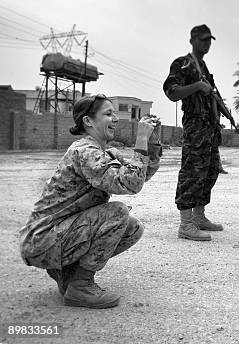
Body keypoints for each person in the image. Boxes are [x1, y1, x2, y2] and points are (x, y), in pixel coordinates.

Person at [18, 94, 162, 309]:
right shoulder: (84, 151)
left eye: (114, 113)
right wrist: (139, 141)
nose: (115, 119)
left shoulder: (104, 151)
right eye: (108, 114)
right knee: (117, 213)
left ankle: (68, 275)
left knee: (132, 228)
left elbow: (139, 175)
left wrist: (152, 144)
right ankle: (81, 287)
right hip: (42, 239)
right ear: (88, 121)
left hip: (57, 235)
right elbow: (129, 184)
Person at [163, 24, 235, 241]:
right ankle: (186, 224)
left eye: (209, 40)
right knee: (192, 172)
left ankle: (199, 216)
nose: (206, 44)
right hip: (195, 126)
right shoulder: (183, 64)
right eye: (203, 40)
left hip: (210, 127)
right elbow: (171, 92)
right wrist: (196, 86)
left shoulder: (203, 67)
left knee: (210, 171)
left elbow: (213, 95)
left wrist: (226, 115)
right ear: (193, 40)